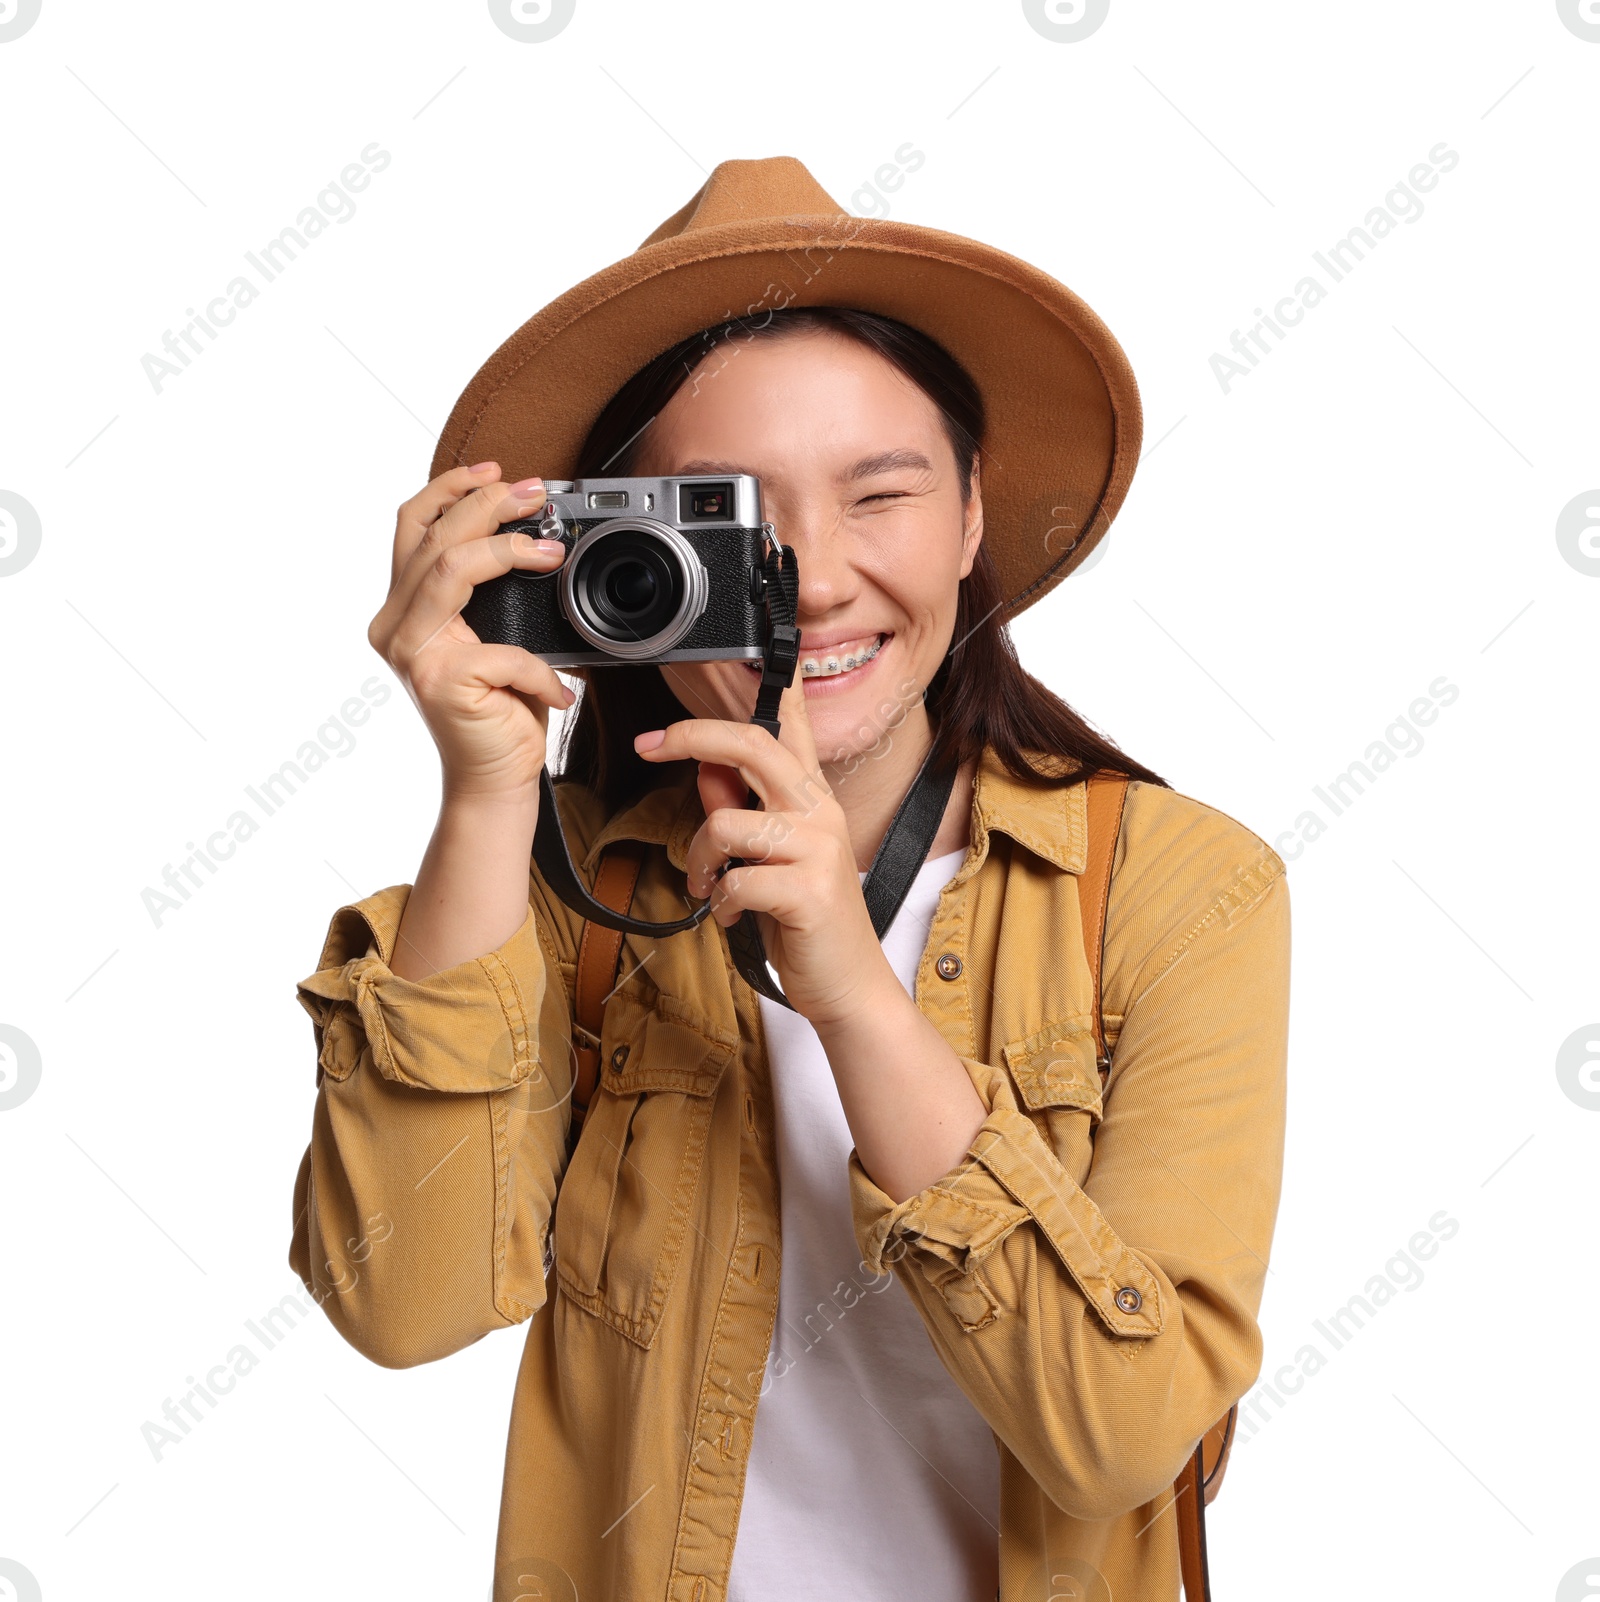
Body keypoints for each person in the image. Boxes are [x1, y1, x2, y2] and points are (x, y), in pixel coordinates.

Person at [289, 157, 1291, 1602]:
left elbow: (1127, 1438)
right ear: (607, 568)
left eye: (879, 495)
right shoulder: (567, 907)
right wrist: (488, 793)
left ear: (970, 523)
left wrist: (852, 988)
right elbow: (403, 1299)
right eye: (726, 519)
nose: (811, 578)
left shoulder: (1179, 888)